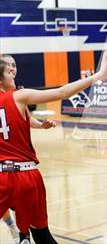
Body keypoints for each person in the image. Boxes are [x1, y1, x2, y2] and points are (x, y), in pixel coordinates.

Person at [0, 50, 107, 244]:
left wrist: (39, 125)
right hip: (25, 176)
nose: (13, 73)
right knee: (42, 235)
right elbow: (62, 92)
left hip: (3, 176)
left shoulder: (17, 99)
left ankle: (18, 233)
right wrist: (97, 76)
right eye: (9, 72)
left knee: (32, 233)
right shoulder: (19, 96)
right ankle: (20, 233)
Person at [0, 54, 56, 244]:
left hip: (16, 166)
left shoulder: (17, 94)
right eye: (8, 67)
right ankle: (15, 228)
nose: (12, 69)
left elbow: (23, 118)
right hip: (15, 168)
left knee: (24, 209)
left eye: (14, 65)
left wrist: (41, 125)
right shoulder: (15, 94)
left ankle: (21, 234)